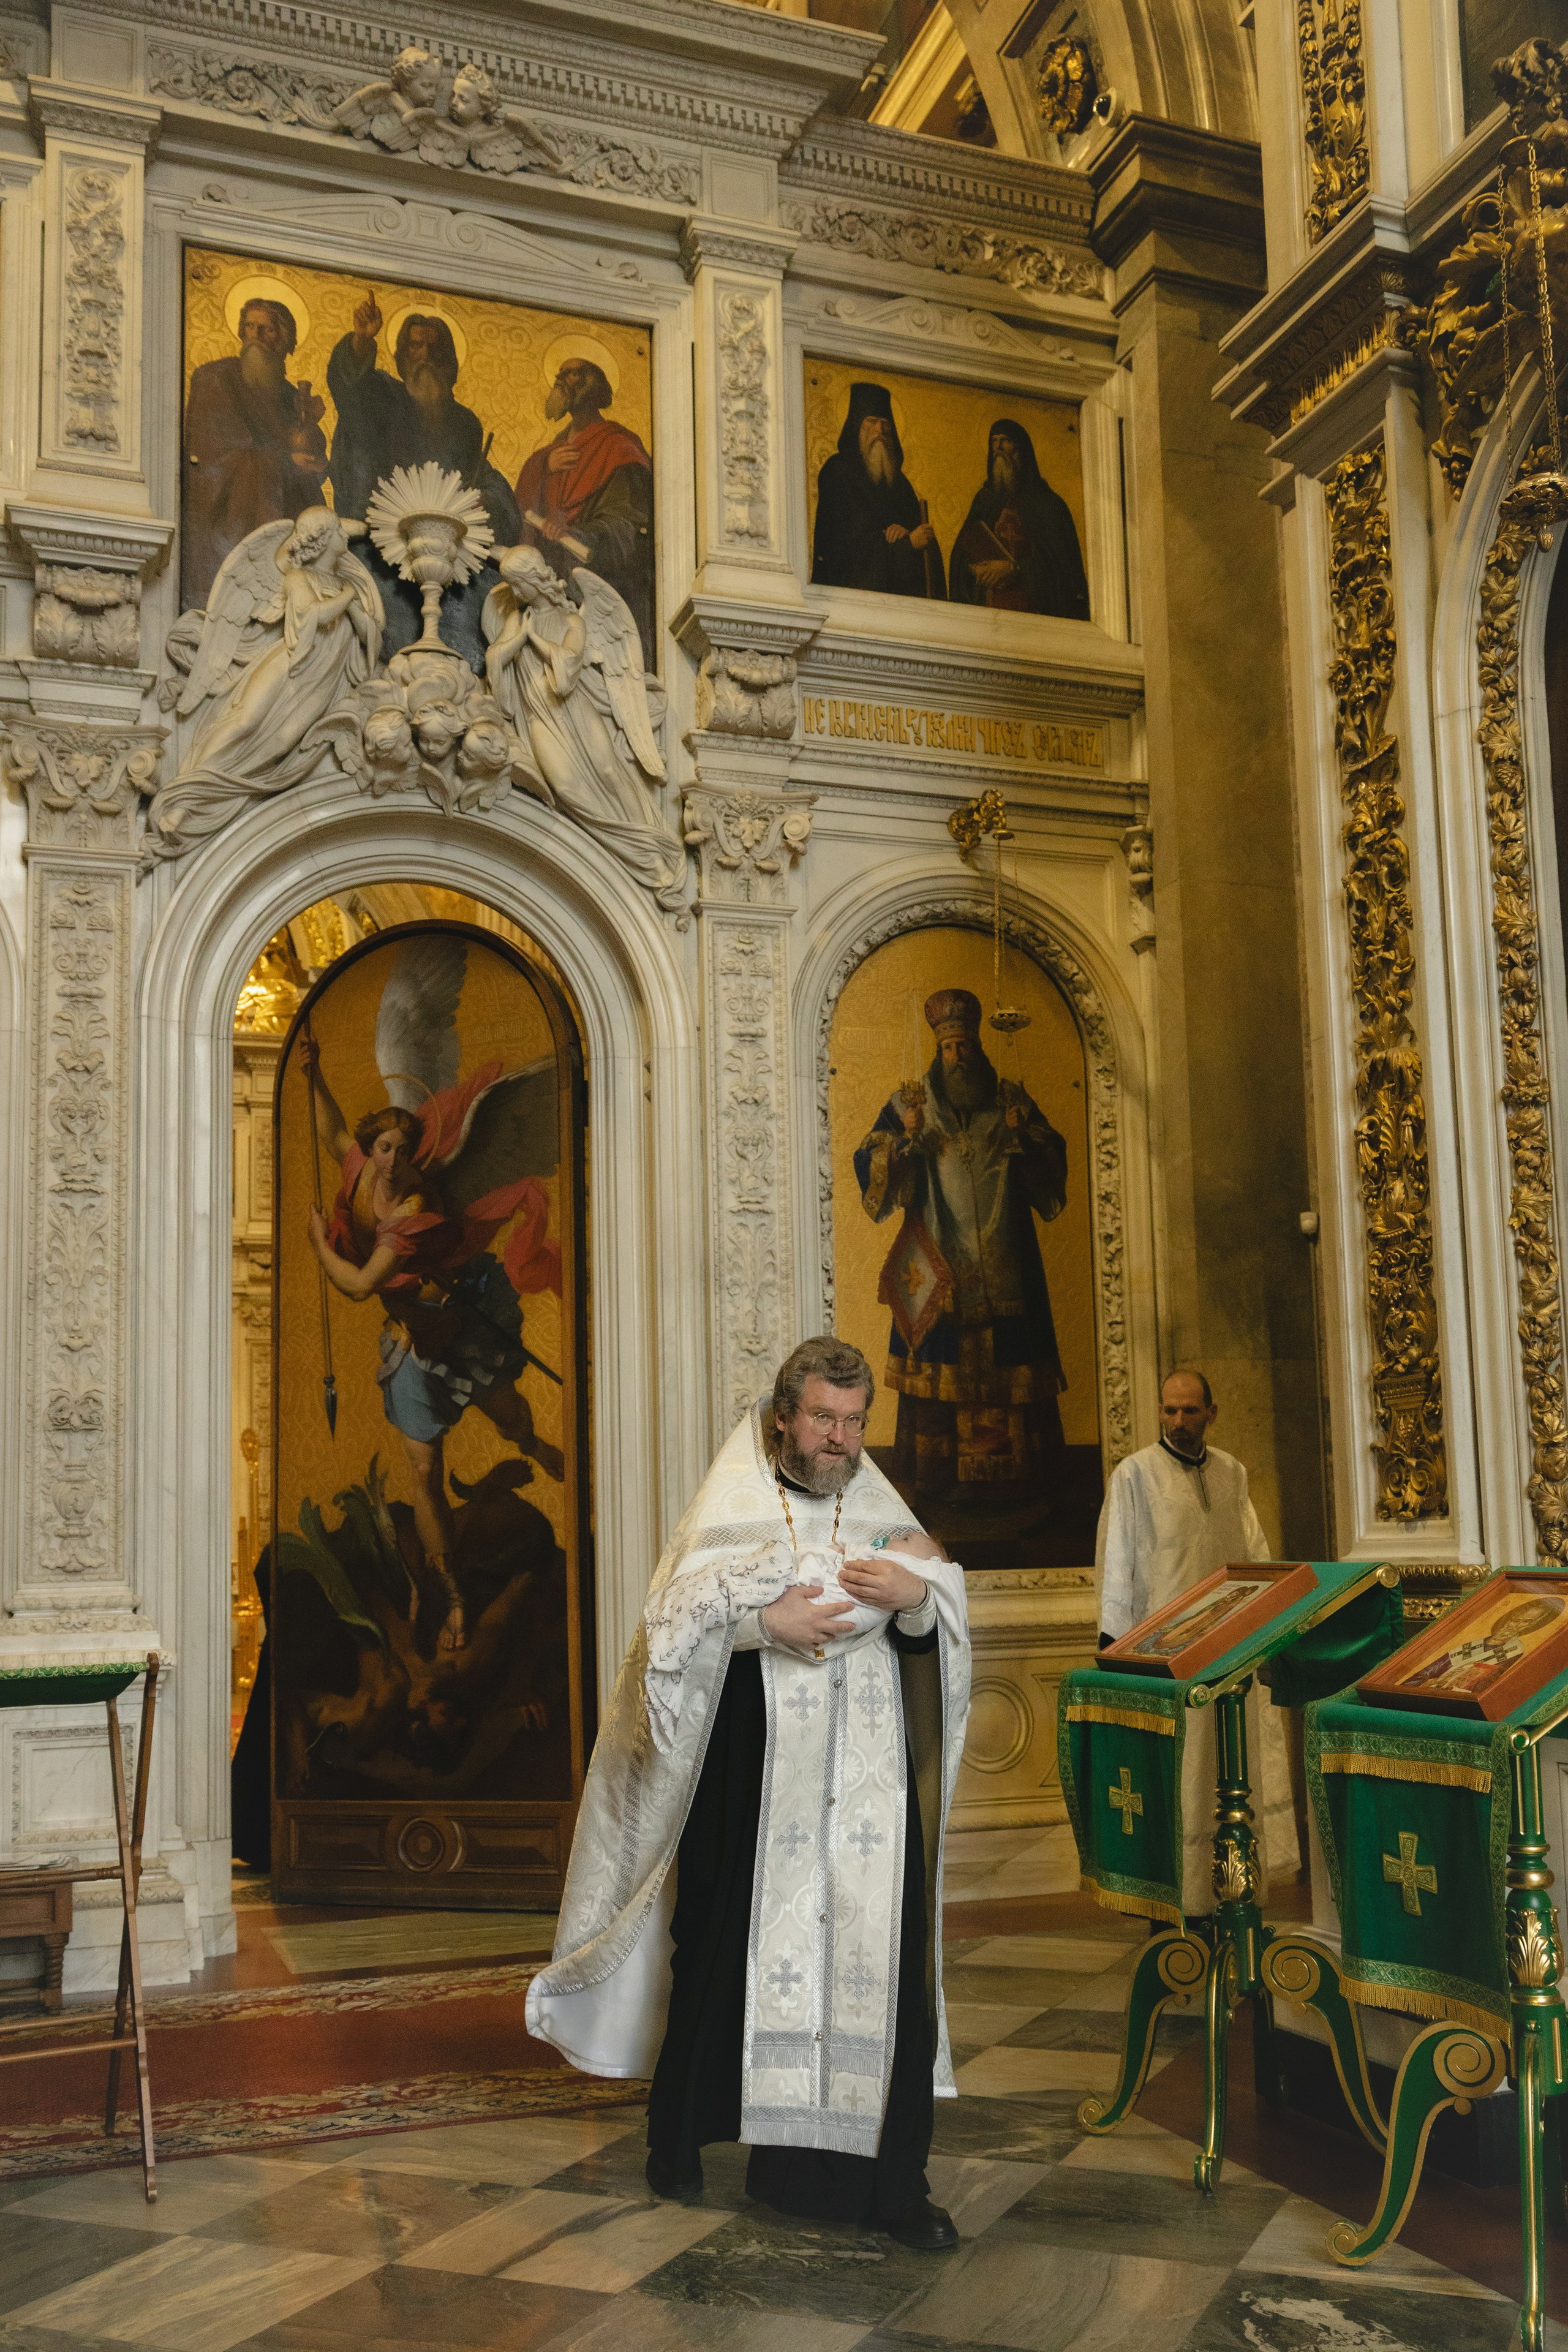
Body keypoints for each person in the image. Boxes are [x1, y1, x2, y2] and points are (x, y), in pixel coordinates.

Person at [527, 1336, 972, 2252]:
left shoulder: (880, 1507)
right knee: (722, 1949)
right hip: (751, 1776)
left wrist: (918, 1601)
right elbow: (666, 1640)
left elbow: (938, 1631)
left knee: (881, 1968)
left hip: (866, 1796)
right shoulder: (732, 1505)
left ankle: (887, 2184)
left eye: (853, 1422)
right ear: (784, 1416)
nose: (839, 1439)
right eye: (822, 1418)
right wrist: (762, 1622)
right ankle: (678, 2140)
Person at [300, 1045, 562, 1651]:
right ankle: (451, 1595)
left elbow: (361, 1286)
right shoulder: (360, 1169)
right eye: (382, 1148)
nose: (391, 1160)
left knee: (511, 1420)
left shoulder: (415, 1205)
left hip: (457, 1326)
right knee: (424, 1470)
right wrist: (314, 1071)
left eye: (401, 1149)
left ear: (414, 1151)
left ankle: (534, 1446)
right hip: (410, 1340)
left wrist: (320, 1243)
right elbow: (332, 1129)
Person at [854, 988, 1068, 1504]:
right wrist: (902, 1141)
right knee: (939, 1373)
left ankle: (1018, 1486)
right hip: (938, 1262)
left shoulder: (1010, 1100)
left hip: (1005, 1260)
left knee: (1010, 1367)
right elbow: (870, 1161)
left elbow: (1051, 1160)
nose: (958, 1056)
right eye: (949, 1048)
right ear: (937, 1050)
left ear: (978, 1045)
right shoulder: (912, 1105)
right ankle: (934, 1483)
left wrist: (1027, 1137)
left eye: (966, 1045)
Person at [1095, 1370, 1291, 1911]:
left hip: (1231, 1657)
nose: (1179, 1421)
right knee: (1182, 1780)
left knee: (1231, 1772)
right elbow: (1117, 1567)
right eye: (1170, 1411)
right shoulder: (1134, 1476)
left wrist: (1273, 1625)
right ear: (1160, 1412)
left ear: (1212, 1412)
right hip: (1168, 1662)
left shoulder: (1232, 1473)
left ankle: (1235, 1894)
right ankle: (1179, 1905)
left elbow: (1256, 1555)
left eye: (1190, 1411)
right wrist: (1118, 1652)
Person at [326, 293, 522, 665]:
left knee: (487, 609)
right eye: (415, 347)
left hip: (449, 549)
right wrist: (362, 341)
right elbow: (348, 389)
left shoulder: (464, 423)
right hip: (383, 540)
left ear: (449, 362)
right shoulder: (379, 394)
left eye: (436, 349)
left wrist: (487, 504)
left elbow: (479, 476)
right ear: (401, 357)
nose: (426, 357)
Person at [181, 296, 328, 610]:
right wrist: (287, 463)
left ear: (287, 340)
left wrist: (312, 429)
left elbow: (312, 468)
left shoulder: (292, 397)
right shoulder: (215, 378)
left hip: (285, 520)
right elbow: (212, 454)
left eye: (269, 330)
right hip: (229, 515)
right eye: (251, 327)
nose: (257, 337)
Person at [513, 358, 655, 668]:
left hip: (600, 589)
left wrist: (575, 535)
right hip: (551, 591)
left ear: (593, 386)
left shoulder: (619, 447)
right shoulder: (553, 451)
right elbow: (524, 510)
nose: (562, 379)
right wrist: (542, 468)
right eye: (560, 373)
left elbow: (627, 528)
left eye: (573, 374)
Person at [811, 382, 946, 600]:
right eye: (872, 422)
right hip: (849, 602)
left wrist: (914, 536)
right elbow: (848, 546)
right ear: (857, 426)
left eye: (886, 423)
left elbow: (921, 539)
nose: (880, 431)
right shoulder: (838, 472)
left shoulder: (900, 484)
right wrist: (906, 544)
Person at [949, 418, 1090, 619]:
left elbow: (1063, 570)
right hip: (987, 617)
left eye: (1005, 441)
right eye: (994, 441)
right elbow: (961, 556)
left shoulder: (1049, 505)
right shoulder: (984, 501)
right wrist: (973, 569)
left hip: (1034, 618)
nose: (998, 447)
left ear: (1022, 449)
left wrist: (1015, 570)